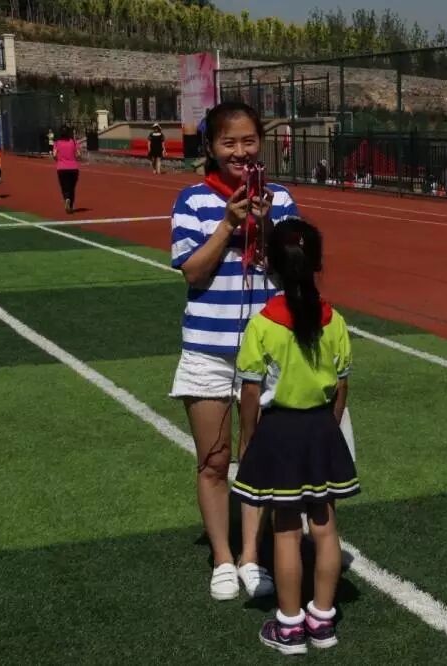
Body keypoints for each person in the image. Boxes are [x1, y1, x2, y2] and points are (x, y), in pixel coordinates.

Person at [167, 101, 294, 602]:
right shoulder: (193, 200)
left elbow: (291, 271)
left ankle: (251, 555)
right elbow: (193, 273)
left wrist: (265, 226)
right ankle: (222, 557)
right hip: (208, 349)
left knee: (257, 459)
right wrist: (227, 225)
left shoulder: (281, 199)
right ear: (212, 147)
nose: (240, 152)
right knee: (214, 460)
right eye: (228, 143)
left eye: (248, 141)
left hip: (267, 351)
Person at [232, 217, 359, 655]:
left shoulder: (263, 324)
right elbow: (341, 386)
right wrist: (329, 426)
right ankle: (322, 619)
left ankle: (289, 626)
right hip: (320, 428)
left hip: (281, 432)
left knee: (286, 529)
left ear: (269, 264)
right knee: (324, 525)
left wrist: (249, 439)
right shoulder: (334, 320)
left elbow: (251, 392)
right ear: (317, 264)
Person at [52, 126, 81, 213]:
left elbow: (54, 155)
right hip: (73, 168)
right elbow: (79, 155)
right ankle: (70, 205)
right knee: (71, 187)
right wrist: (74, 158)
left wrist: (58, 160)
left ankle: (67, 199)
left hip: (61, 168)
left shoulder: (57, 143)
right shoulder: (73, 142)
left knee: (64, 187)